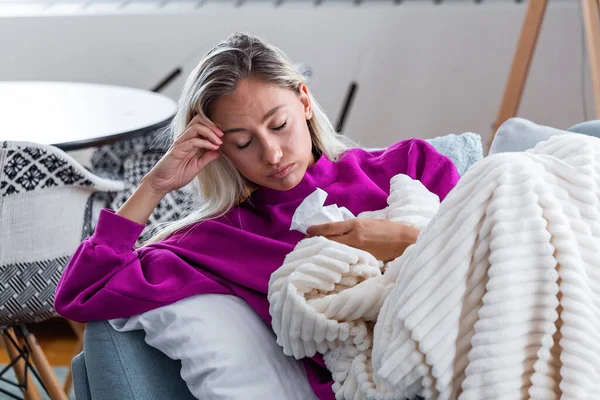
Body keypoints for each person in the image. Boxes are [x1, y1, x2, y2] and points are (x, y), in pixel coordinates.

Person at [54, 32, 459, 399]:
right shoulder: (220, 240)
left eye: (279, 125)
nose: (272, 154)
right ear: (219, 149)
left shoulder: (409, 165)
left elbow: (494, 256)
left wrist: (406, 241)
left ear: (303, 100)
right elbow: (79, 292)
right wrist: (155, 185)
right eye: (243, 142)